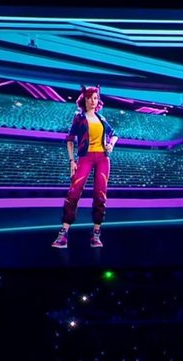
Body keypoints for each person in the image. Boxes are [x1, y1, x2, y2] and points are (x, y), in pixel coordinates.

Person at [51, 85, 118, 249]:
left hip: (103, 158)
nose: (93, 101)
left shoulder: (102, 119)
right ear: (84, 100)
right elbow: (69, 139)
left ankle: (96, 234)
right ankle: (63, 234)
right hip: (85, 157)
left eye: (95, 98)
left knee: (100, 194)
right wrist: (71, 161)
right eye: (89, 98)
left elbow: (115, 134)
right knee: (74, 192)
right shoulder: (79, 118)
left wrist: (111, 144)